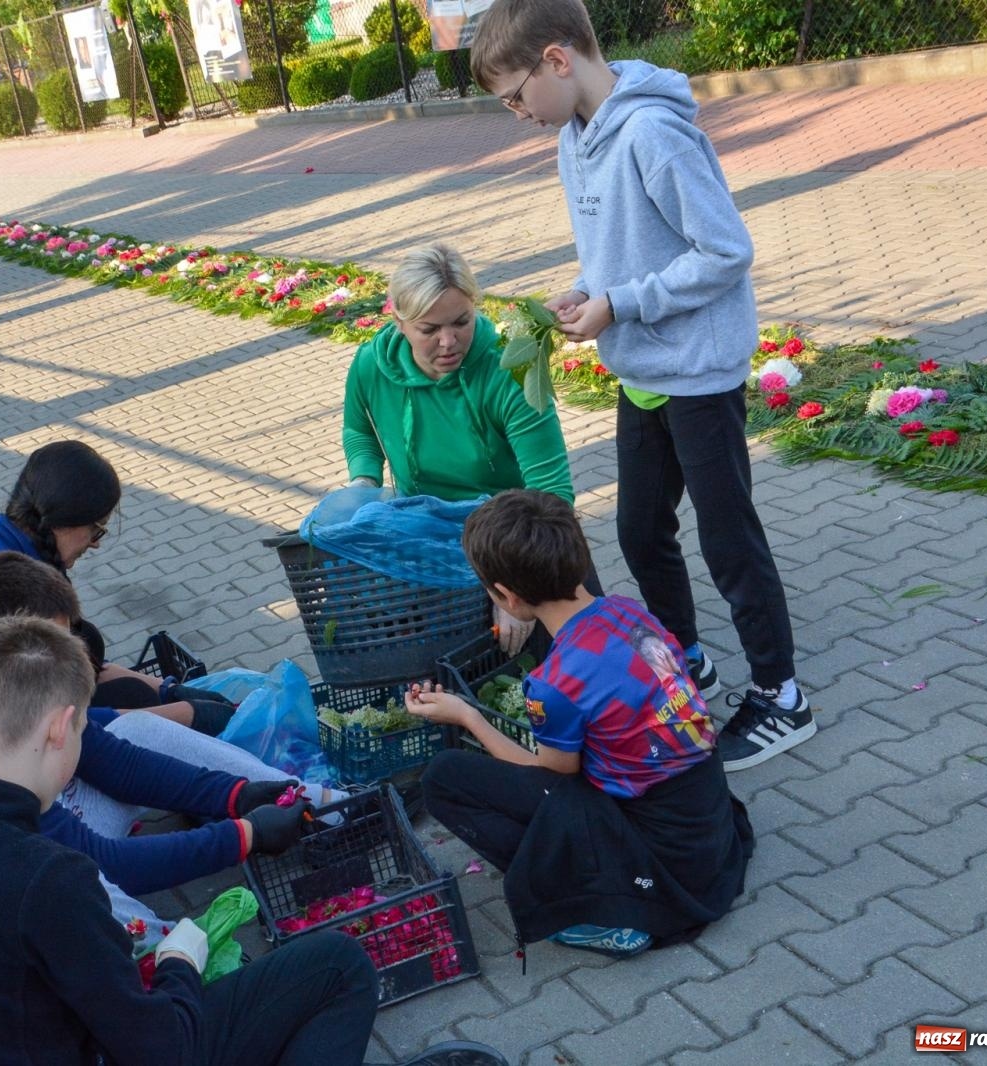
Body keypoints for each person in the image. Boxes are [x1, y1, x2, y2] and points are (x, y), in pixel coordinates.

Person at [0, 613, 505, 1066]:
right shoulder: (52, 877)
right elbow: (162, 1049)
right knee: (338, 966)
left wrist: (233, 805)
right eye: (87, 727)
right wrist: (176, 966)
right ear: (62, 728)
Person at [469, 0, 812, 768]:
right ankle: (683, 659)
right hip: (643, 370)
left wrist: (620, 303)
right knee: (637, 530)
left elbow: (725, 250)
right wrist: (584, 289)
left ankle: (782, 696)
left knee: (729, 539)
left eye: (515, 94)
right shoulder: (575, 140)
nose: (517, 112)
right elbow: (611, 249)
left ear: (557, 59)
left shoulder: (654, 131)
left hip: (698, 371)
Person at [405, 490, 754, 957]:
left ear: (506, 596)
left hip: (658, 844)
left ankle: (603, 904)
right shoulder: (630, 612)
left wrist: (467, 717)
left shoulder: (556, 681)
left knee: (444, 778)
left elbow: (549, 775)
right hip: (703, 818)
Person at [0, 550, 313, 902]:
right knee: (95, 895)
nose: (68, 656)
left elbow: (115, 760)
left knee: (134, 732)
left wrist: (233, 795)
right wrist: (242, 837)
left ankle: (320, 804)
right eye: (53, 644)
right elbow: (96, 863)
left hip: (6, 862)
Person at [0, 440, 233, 771]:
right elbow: (53, 728)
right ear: (64, 519)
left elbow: (85, 671)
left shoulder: (3, 552)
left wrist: (168, 690)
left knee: (132, 699)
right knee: (140, 743)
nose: (95, 544)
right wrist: (185, 715)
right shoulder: (8, 591)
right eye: (96, 529)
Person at [342, 242, 598, 651]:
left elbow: (552, 493)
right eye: (429, 329)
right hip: (432, 542)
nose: (449, 342)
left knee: (576, 669)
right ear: (400, 321)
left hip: (522, 543)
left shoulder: (508, 371)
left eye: (461, 321)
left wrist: (517, 589)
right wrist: (363, 481)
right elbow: (360, 431)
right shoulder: (372, 364)